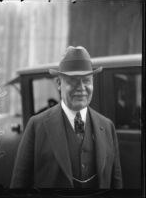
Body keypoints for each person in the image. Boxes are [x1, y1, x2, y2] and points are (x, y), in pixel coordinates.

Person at [10, 46, 122, 189]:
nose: (81, 87)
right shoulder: (36, 126)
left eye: (86, 80)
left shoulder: (107, 126)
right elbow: (19, 185)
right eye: (73, 80)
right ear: (59, 83)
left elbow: (116, 183)